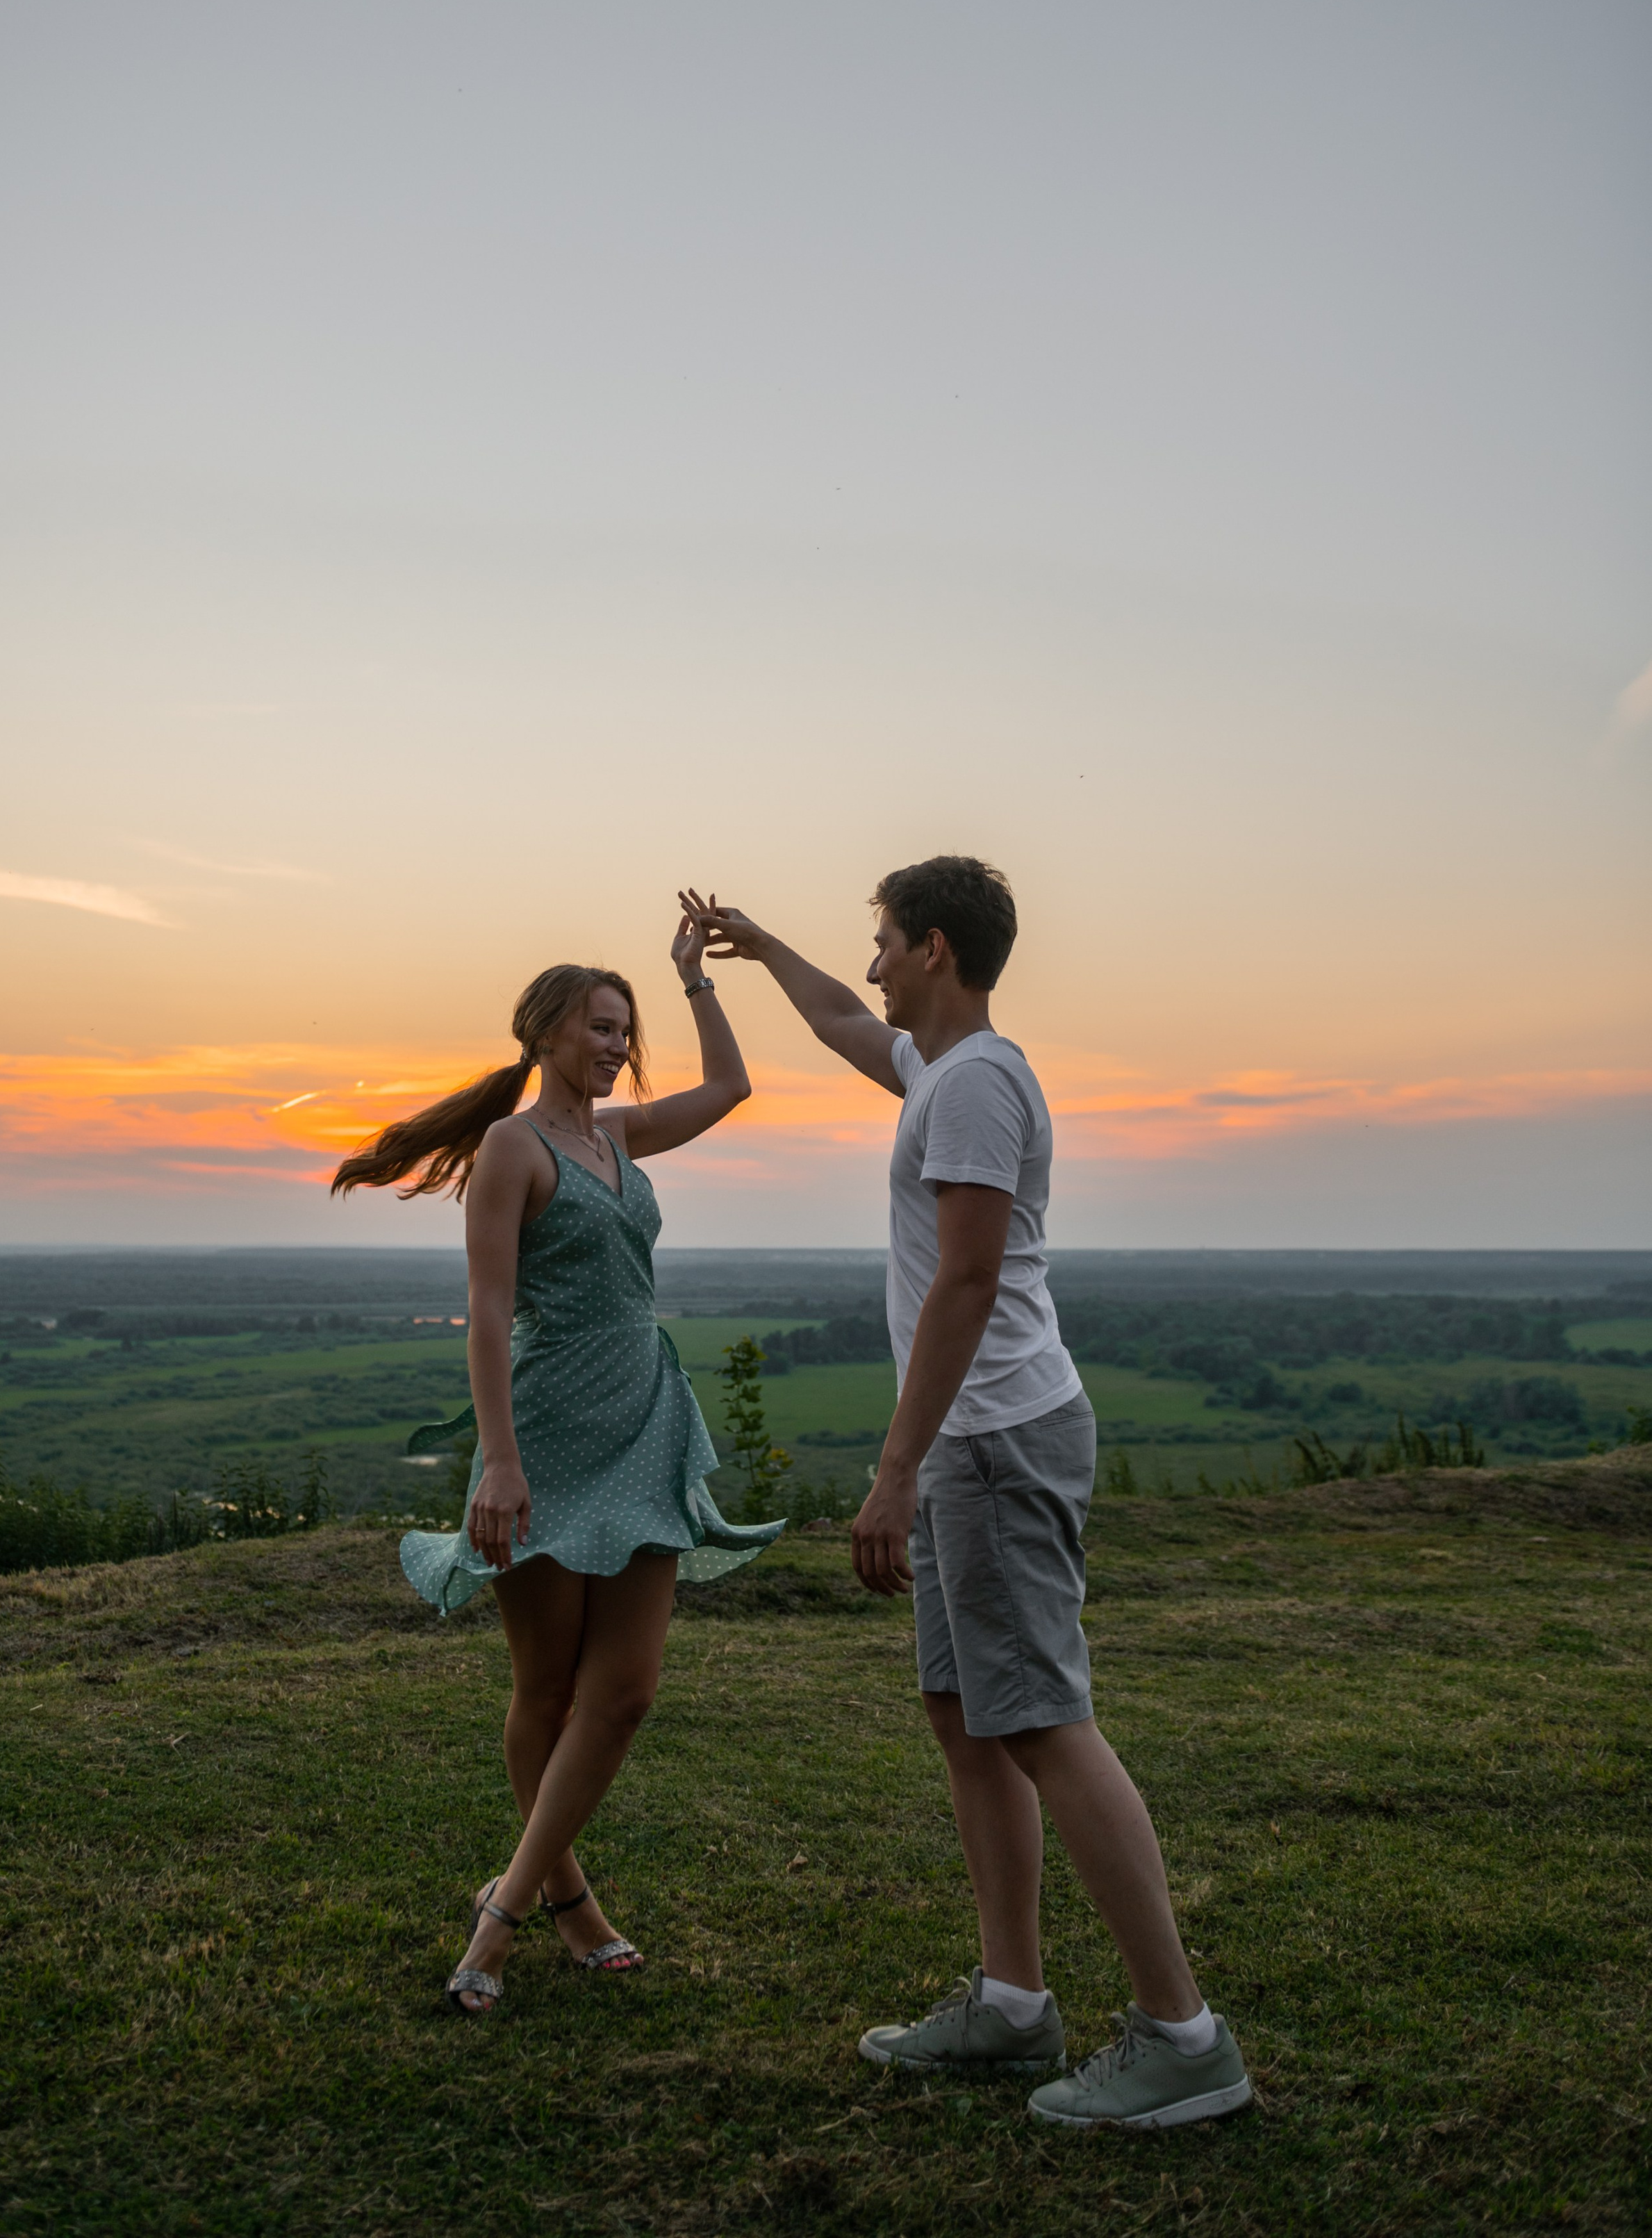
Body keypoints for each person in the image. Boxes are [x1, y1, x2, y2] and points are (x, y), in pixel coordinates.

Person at [696, 859, 1250, 2130]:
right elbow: (842, 1016)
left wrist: (896, 1473)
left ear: (935, 949)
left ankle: (1185, 2038)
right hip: (970, 1441)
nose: (874, 962)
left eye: (885, 942)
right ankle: (1013, 2003)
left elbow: (967, 1280)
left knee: (1043, 1719)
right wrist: (760, 941)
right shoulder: (936, 1072)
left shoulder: (979, 1085)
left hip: (992, 1439)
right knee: (969, 1717)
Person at [331, 899, 784, 2015]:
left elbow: (729, 1090)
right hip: (546, 1431)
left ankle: (511, 1897)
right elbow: (487, 1313)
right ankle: (553, 1907)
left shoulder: (616, 1137)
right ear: (545, 1033)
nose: (618, 1045)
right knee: (546, 1688)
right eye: (599, 1025)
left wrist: (695, 976)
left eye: (626, 1027)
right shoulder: (512, 1149)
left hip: (645, 1422)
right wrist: (497, 1463)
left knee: (623, 1695)